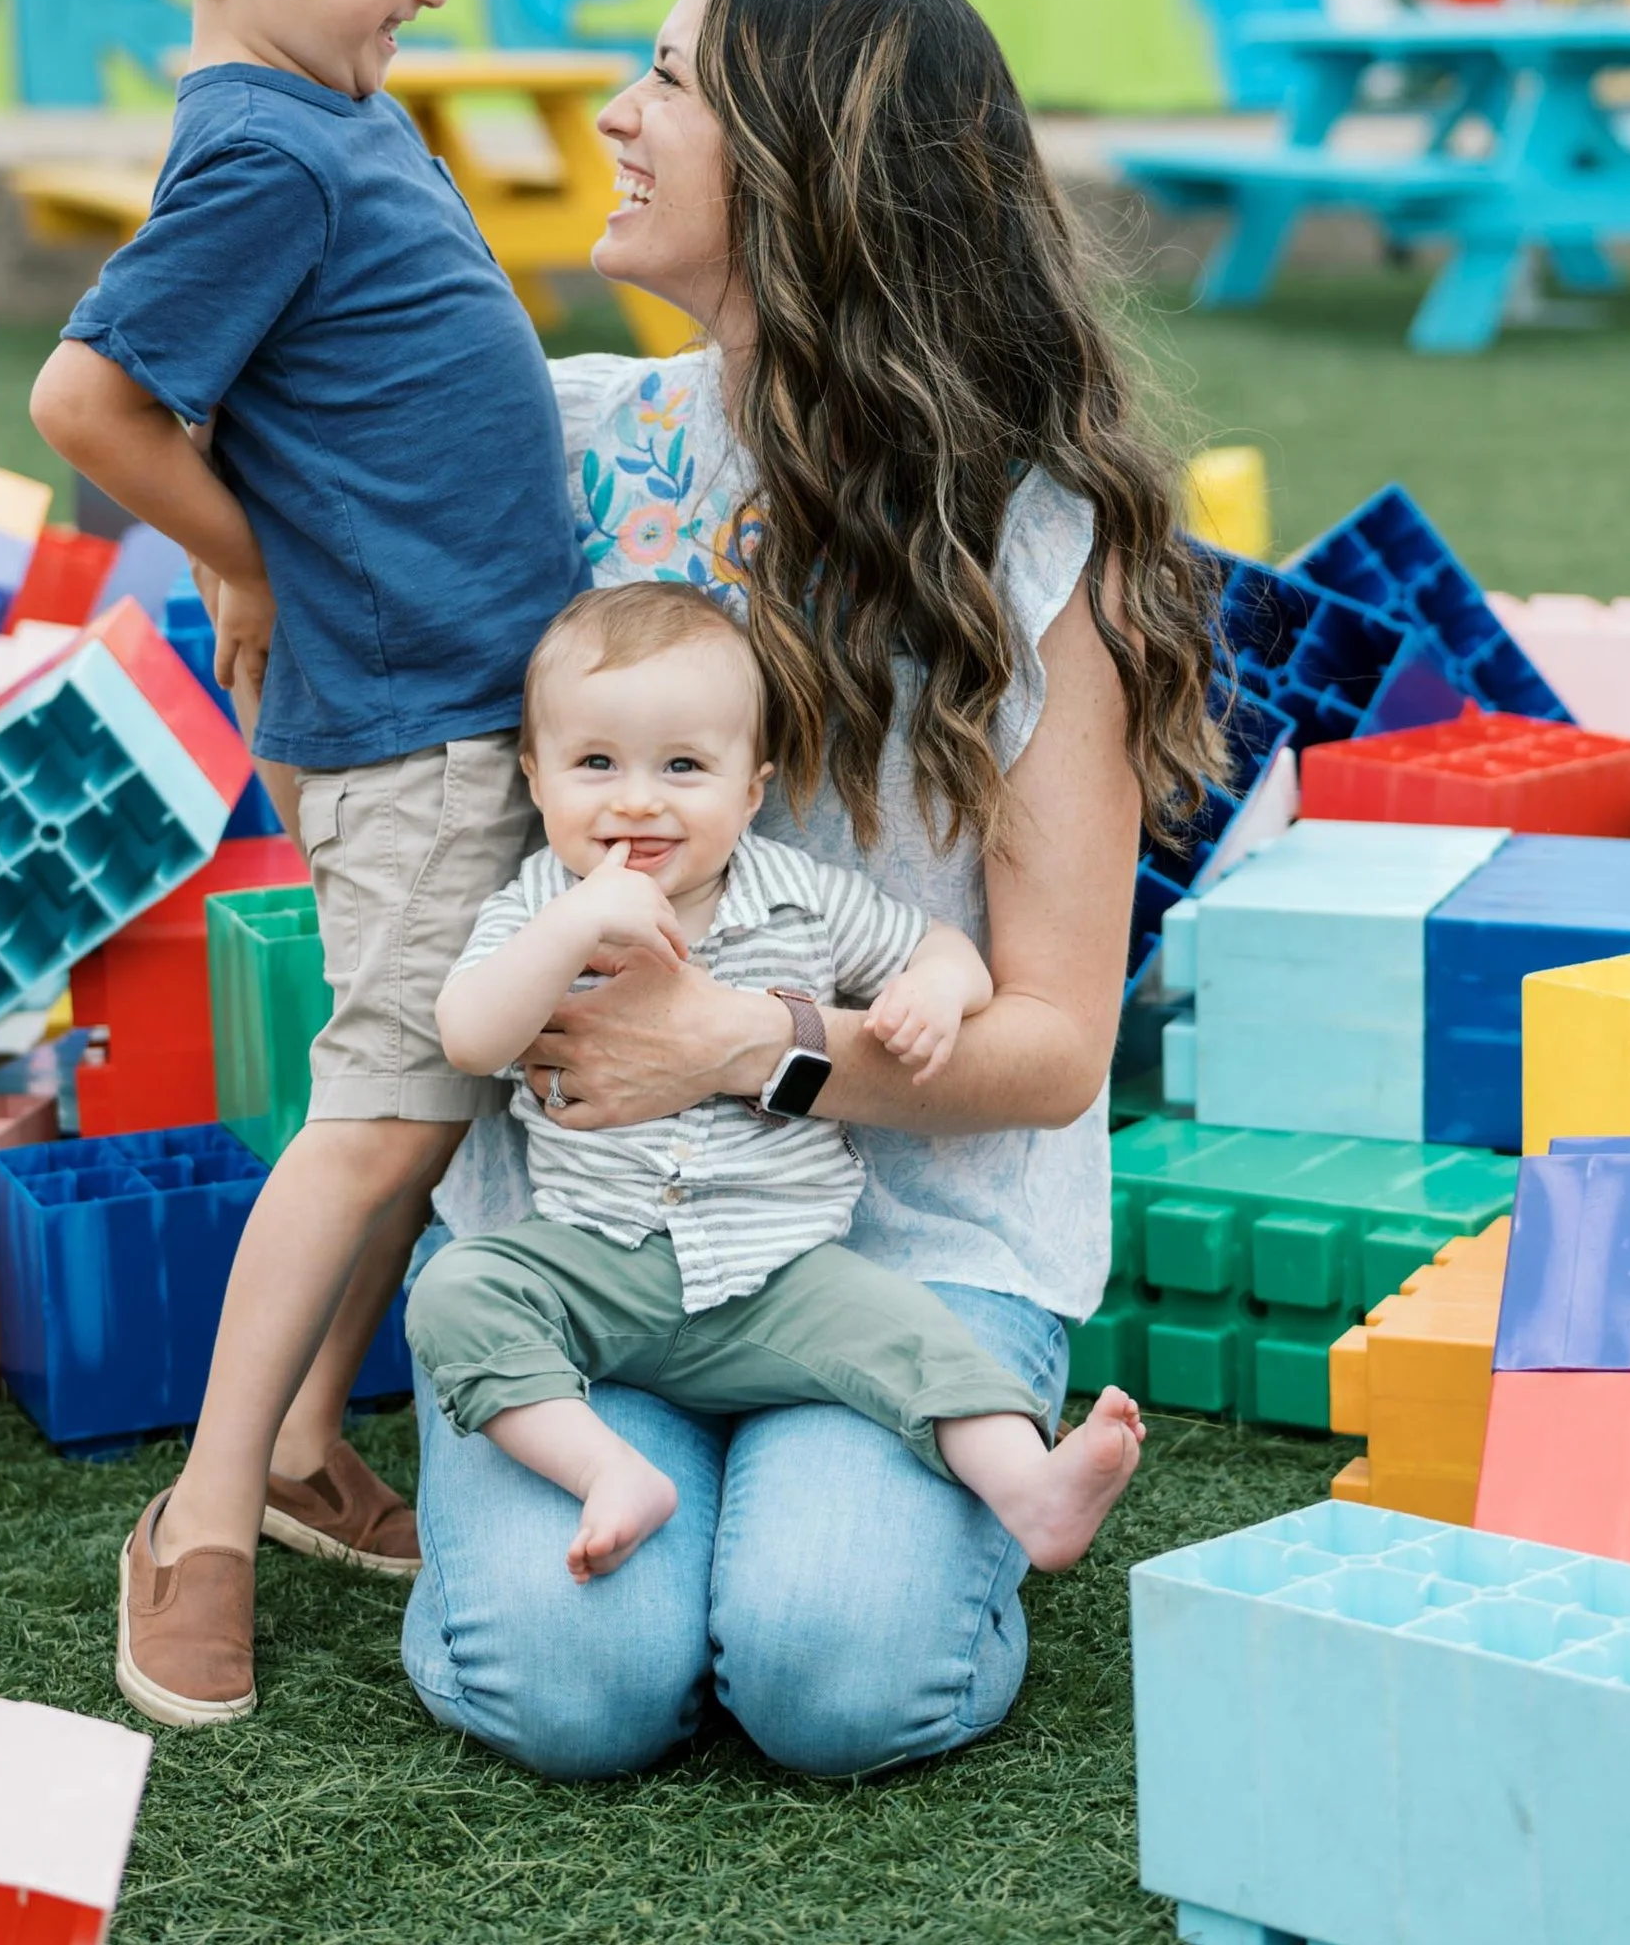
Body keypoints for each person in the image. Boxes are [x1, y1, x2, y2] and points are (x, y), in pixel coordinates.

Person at [401, 0, 1220, 1780]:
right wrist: (227, 550)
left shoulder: (1034, 554)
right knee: (574, 1690)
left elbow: (1052, 1049)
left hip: (911, 1242)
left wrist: (740, 1049)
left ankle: (887, 1527)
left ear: (805, 166)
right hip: (593, 1232)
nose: (614, 114)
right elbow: (254, 423)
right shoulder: (576, 441)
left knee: (832, 1676)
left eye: (671, 81)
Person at [28, 0, 585, 1728]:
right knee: (375, 1118)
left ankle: (283, 1453)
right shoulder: (262, 149)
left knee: (426, 1110)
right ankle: (191, 1518)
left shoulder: (330, 112)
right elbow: (87, 396)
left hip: (467, 693)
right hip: (407, 719)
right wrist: (239, 553)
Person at [410, 580, 1148, 1583]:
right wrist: (578, 923)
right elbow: (467, 1033)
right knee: (457, 1292)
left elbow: (941, 947)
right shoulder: (540, 904)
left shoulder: (797, 895)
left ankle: (1032, 1489)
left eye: (682, 766)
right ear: (535, 779)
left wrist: (936, 987)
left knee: (914, 1337)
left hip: (782, 1277)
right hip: (594, 1265)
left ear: (750, 789)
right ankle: (608, 1470)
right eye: (594, 764)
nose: (636, 798)